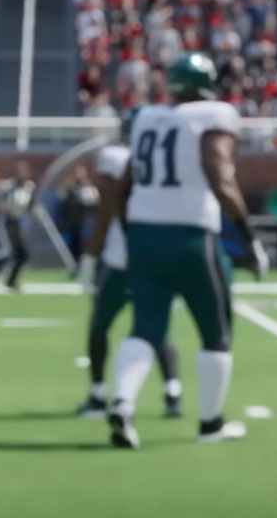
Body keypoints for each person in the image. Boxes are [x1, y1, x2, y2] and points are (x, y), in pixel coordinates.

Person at [106, 53, 270, 448]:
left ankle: (123, 404)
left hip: (144, 234)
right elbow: (218, 175)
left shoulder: (146, 117)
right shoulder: (213, 115)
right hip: (191, 235)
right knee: (216, 333)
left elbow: (125, 185)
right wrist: (249, 237)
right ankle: (211, 424)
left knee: (145, 327)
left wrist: (132, 231)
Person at [75, 139, 182, 419]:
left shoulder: (115, 158)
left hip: (120, 260)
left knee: (99, 325)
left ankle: (99, 394)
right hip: (153, 256)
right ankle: (173, 394)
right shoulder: (160, 156)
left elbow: (108, 207)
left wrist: (89, 258)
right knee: (155, 328)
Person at [0, 162, 36, 292]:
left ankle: (10, 280)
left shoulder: (29, 187)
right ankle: (9, 279)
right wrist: (7, 209)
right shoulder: (9, 186)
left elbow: (31, 205)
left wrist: (35, 211)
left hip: (22, 222)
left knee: (21, 254)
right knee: (19, 252)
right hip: (9, 221)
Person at [60, 166, 99, 265]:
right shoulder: (71, 187)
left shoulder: (88, 187)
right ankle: (75, 264)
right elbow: (62, 198)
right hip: (73, 222)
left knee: (85, 244)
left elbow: (94, 200)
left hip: (86, 221)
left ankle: (86, 264)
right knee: (74, 245)